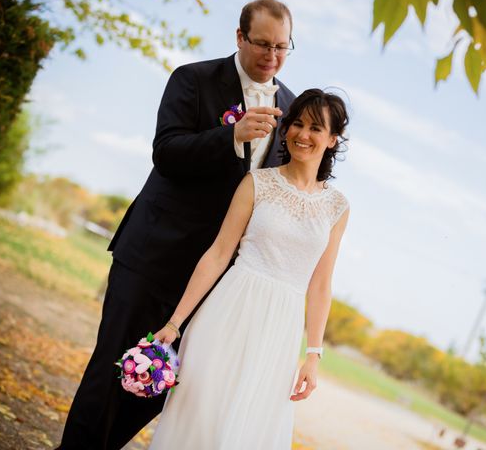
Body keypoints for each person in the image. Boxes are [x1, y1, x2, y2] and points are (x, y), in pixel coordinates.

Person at [59, 0, 296, 449]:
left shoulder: (289, 105)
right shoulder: (193, 78)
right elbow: (166, 152)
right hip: (153, 254)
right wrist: (230, 135)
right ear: (240, 37)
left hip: (213, 278)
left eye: (282, 47)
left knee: (166, 380)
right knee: (115, 366)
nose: (272, 56)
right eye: (262, 44)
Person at [149, 88, 350, 449]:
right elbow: (219, 253)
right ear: (285, 129)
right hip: (229, 311)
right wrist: (174, 323)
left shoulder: (337, 206)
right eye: (298, 124)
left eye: (316, 128)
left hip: (281, 329)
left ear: (333, 139)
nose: (303, 135)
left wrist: (314, 356)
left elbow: (320, 285)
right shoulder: (257, 182)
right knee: (200, 417)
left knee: (248, 429)